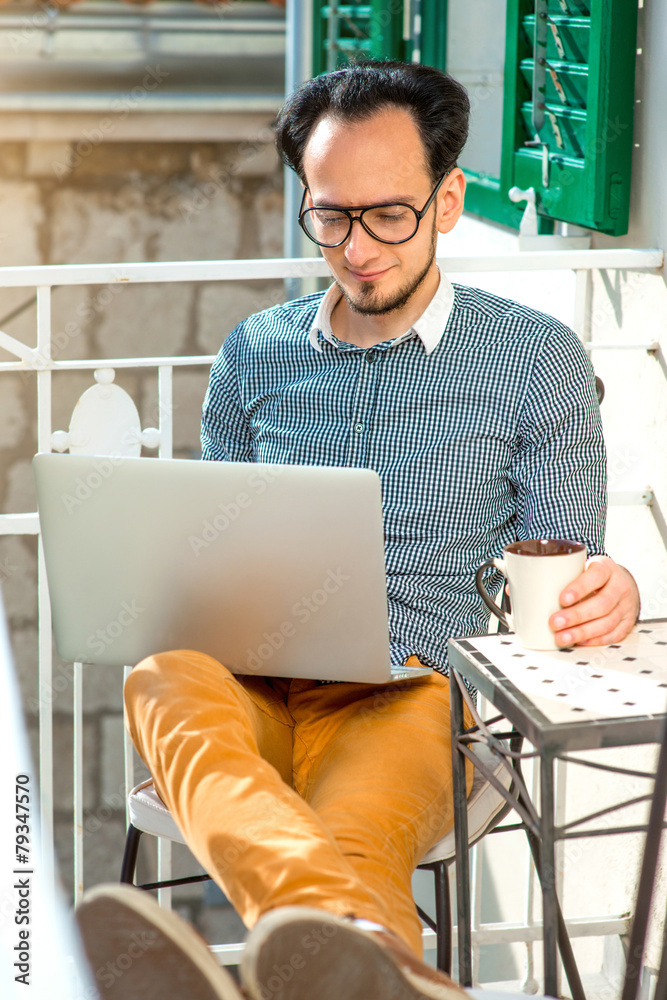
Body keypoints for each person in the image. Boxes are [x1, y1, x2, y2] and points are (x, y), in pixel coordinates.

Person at [76, 61, 640, 1000]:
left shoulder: (535, 358)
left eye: (389, 214)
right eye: (330, 216)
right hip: (252, 677)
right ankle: (366, 958)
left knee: (349, 840)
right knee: (161, 675)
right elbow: (218, 554)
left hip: (409, 690)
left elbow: (564, 559)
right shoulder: (255, 353)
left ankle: (316, 956)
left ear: (448, 200)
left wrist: (604, 587)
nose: (358, 247)